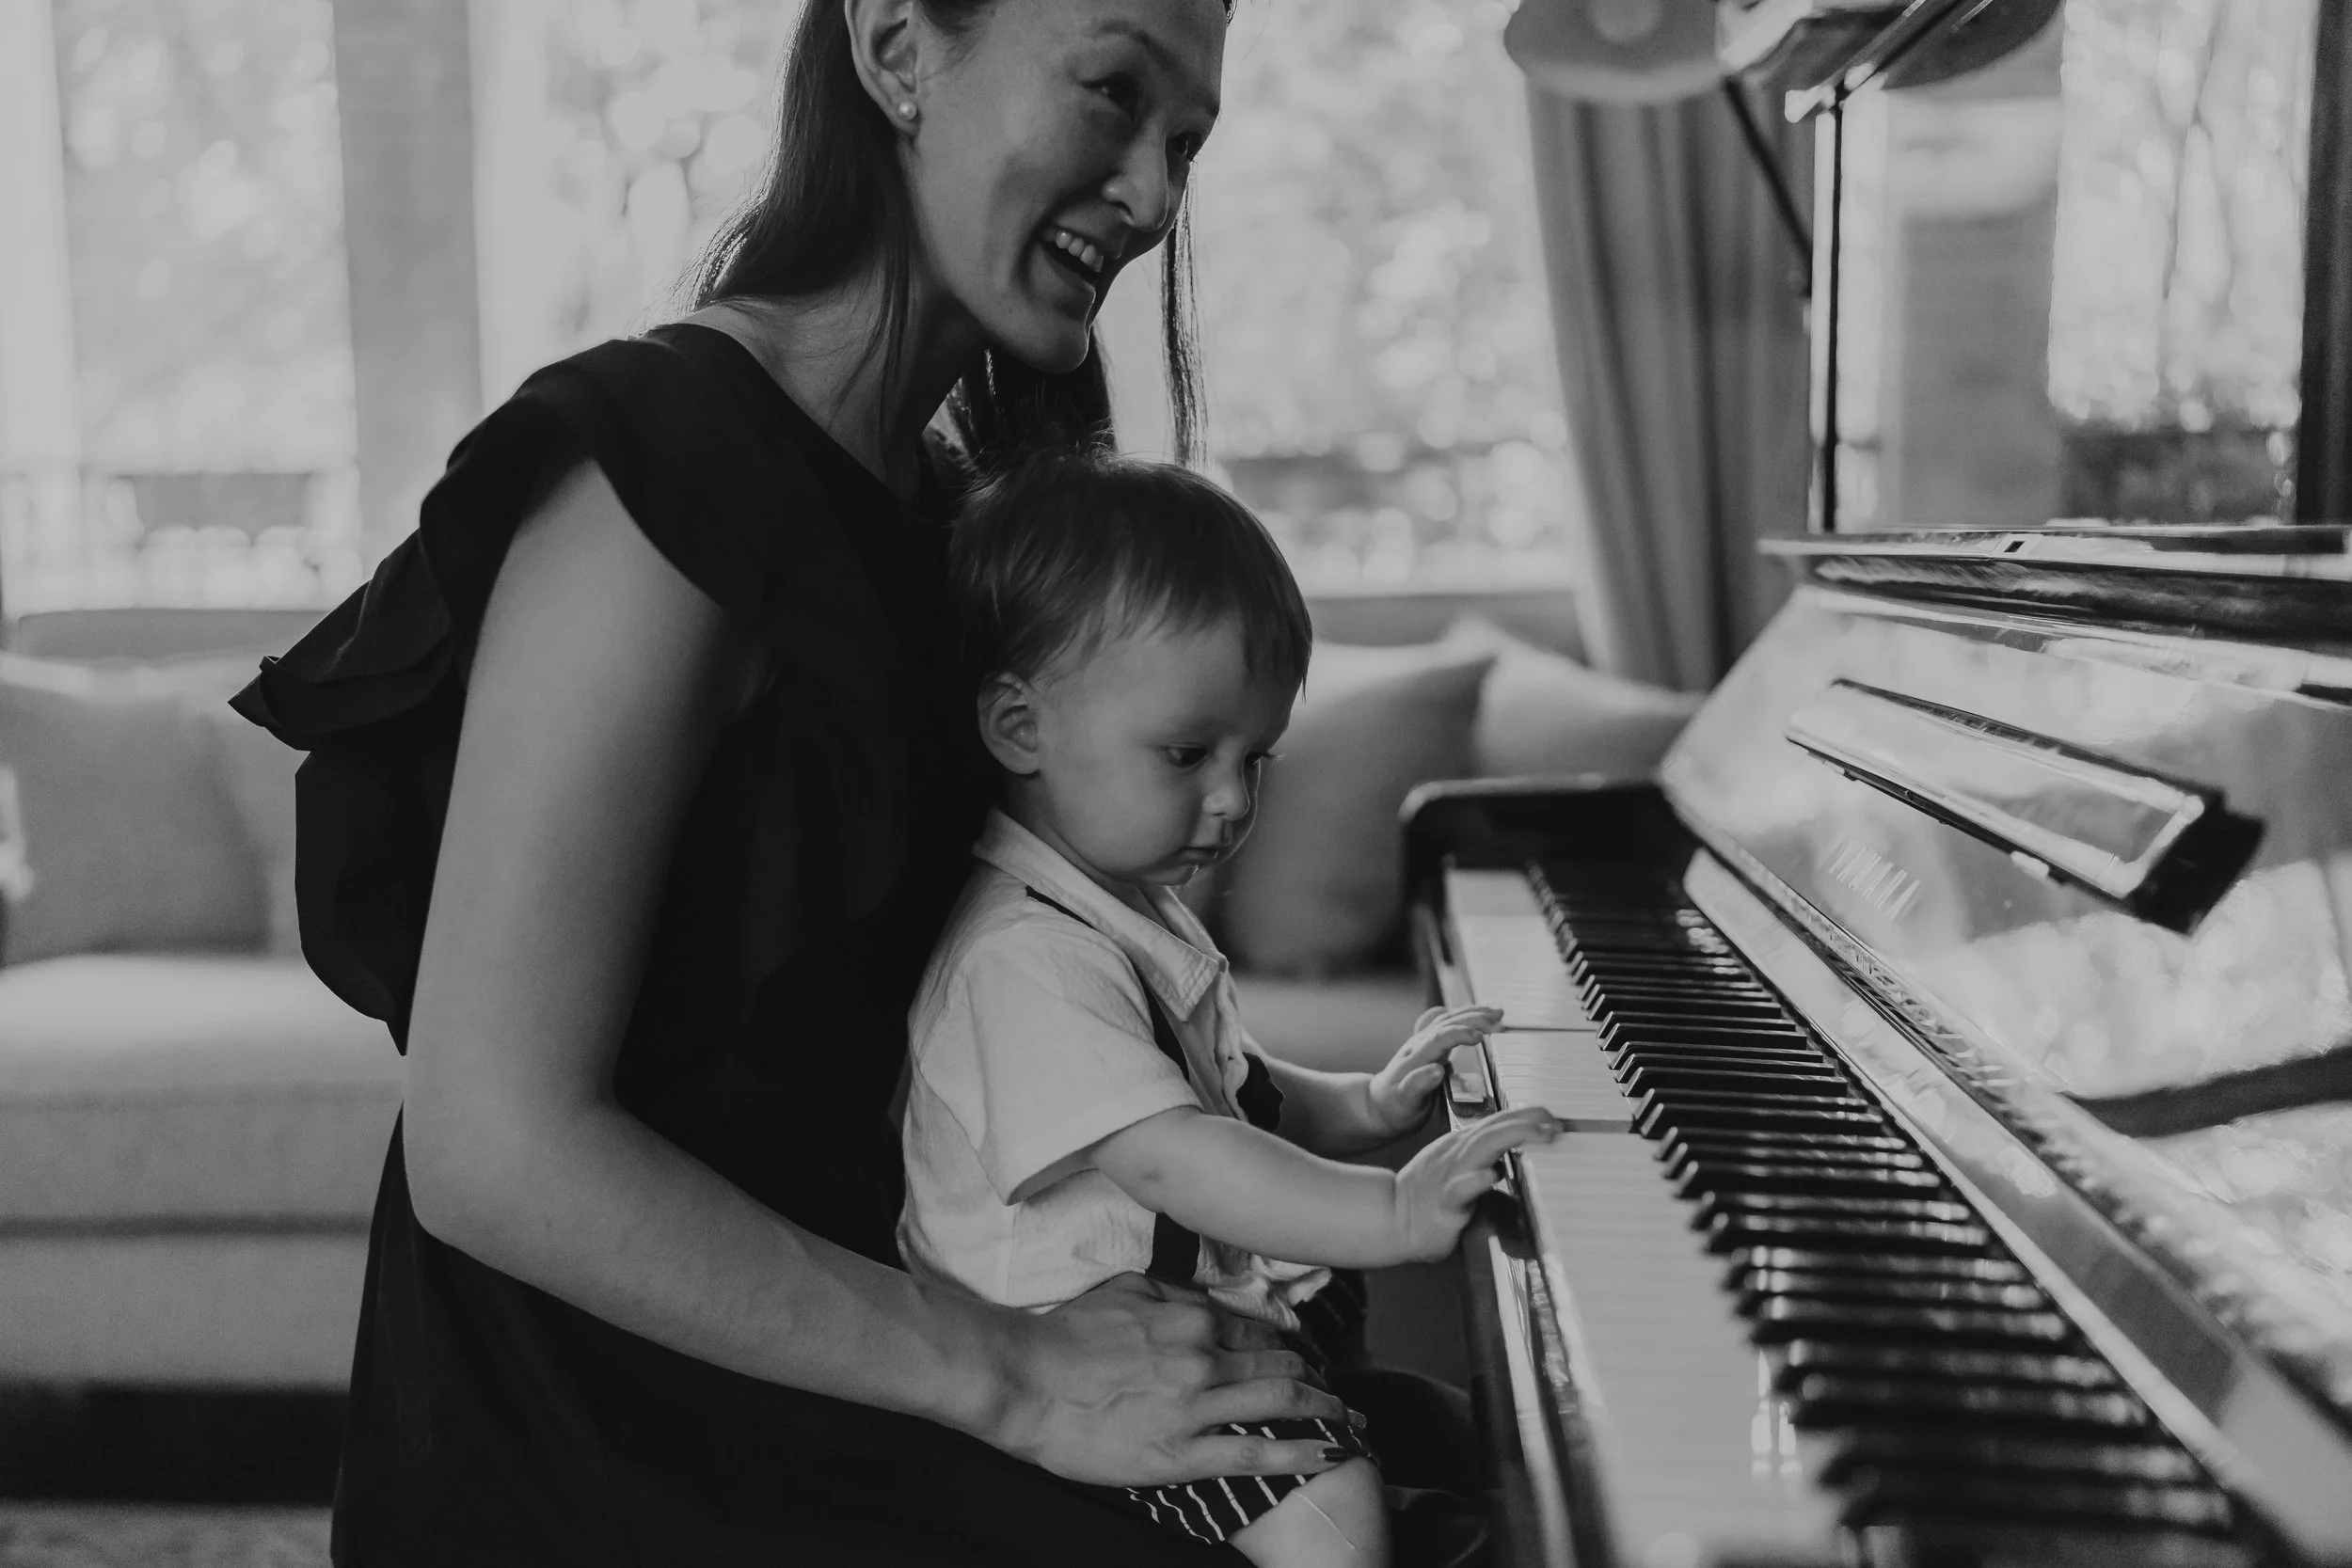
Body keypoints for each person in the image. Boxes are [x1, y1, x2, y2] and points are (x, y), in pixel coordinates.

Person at [229, 0, 1398, 1560]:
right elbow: (491, 1151)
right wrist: (1016, 1375)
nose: (1154, 193)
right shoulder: (660, 477)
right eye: (1114, 94)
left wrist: (1338, 1121)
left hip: (864, 1328)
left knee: (1410, 1454)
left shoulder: (961, 501)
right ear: (898, 47)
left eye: (1187, 140)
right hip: (618, 1415)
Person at [899, 449, 1561, 1567]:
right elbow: (1176, 1154)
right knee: (1333, 1511)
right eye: (1186, 752)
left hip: (1195, 1323)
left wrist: (1365, 1098)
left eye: (1254, 756)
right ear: (1020, 727)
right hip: (1088, 1380)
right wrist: (1392, 1213)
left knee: (1456, 1428)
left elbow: (1234, 1085)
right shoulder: (1022, 960)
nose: (1233, 798)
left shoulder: (1119, 906)